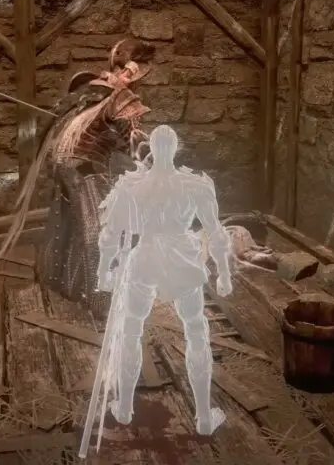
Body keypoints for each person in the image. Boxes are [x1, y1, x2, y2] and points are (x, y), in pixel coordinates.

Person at [0, 39, 153, 320]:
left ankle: (60, 283)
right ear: (133, 74)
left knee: (67, 221)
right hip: (84, 167)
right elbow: (136, 142)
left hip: (61, 163)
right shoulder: (122, 98)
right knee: (101, 228)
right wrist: (154, 164)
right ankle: (103, 302)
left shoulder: (91, 88)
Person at [95, 124, 233, 436]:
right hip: (182, 260)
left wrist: (104, 271)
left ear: (152, 150)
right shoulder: (194, 185)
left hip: (144, 260)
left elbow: (110, 236)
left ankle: (125, 409)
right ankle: (204, 418)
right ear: (175, 148)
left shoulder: (132, 186)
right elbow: (215, 233)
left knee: (131, 329)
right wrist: (223, 273)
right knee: (196, 330)